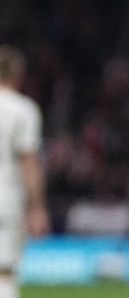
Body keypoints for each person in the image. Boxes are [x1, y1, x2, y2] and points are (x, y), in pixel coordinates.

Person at [0, 46, 48, 298]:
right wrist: (37, 206)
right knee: (4, 273)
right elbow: (28, 161)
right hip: (6, 200)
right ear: (18, 74)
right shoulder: (23, 109)